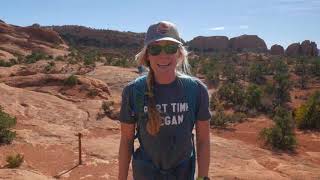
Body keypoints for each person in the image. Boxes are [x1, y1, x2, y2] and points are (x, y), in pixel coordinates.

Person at [118, 21, 211, 180]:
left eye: (170, 48)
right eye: (155, 49)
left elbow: (203, 140)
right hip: (146, 173)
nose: (163, 55)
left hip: (182, 173)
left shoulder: (196, 90)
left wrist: (203, 177)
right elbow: (126, 140)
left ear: (179, 53)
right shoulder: (134, 91)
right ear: (147, 55)